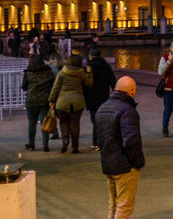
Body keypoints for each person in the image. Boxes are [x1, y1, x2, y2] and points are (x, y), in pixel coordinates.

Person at [97, 76, 145, 219]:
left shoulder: (103, 108)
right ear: (131, 91)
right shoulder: (127, 110)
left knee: (114, 204)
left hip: (108, 163)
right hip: (124, 166)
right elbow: (131, 141)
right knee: (124, 207)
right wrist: (138, 162)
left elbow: (100, 138)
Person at [49, 53, 93, 154]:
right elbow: (89, 84)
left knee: (63, 122)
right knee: (75, 124)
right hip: (78, 102)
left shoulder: (62, 73)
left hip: (62, 102)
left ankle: (65, 140)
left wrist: (51, 100)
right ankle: (75, 147)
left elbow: (56, 88)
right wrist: (90, 73)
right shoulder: (82, 74)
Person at [84, 48, 117, 150]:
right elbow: (113, 81)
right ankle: (99, 141)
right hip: (103, 96)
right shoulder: (106, 66)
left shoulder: (88, 67)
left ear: (90, 56)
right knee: (102, 119)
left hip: (91, 97)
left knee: (95, 119)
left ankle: (97, 142)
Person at [23, 53, 57, 151]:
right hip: (44, 101)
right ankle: (45, 144)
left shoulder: (28, 73)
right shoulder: (48, 72)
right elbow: (52, 83)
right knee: (44, 123)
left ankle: (31, 143)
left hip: (31, 101)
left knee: (32, 123)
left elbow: (24, 87)